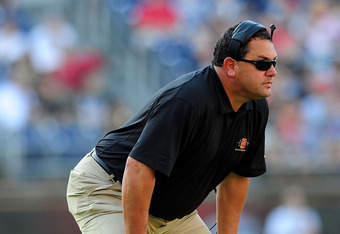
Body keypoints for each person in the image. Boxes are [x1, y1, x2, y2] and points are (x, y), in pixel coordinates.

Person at [66, 19, 278, 234]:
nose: (272, 72)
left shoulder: (257, 107)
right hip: (110, 189)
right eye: (262, 63)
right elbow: (138, 169)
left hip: (173, 217)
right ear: (231, 65)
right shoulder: (188, 100)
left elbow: (236, 177)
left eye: (274, 63)